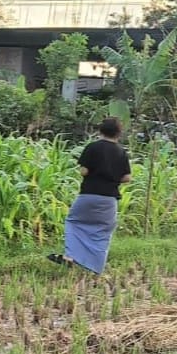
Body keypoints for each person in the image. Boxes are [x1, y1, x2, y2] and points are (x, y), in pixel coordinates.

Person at [49, 117, 132, 274]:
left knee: (74, 222)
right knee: (102, 232)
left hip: (88, 195)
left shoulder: (92, 147)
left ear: (100, 131)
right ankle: (96, 269)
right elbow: (127, 178)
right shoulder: (122, 152)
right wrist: (113, 178)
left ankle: (70, 256)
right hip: (109, 199)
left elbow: (84, 171)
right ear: (119, 133)